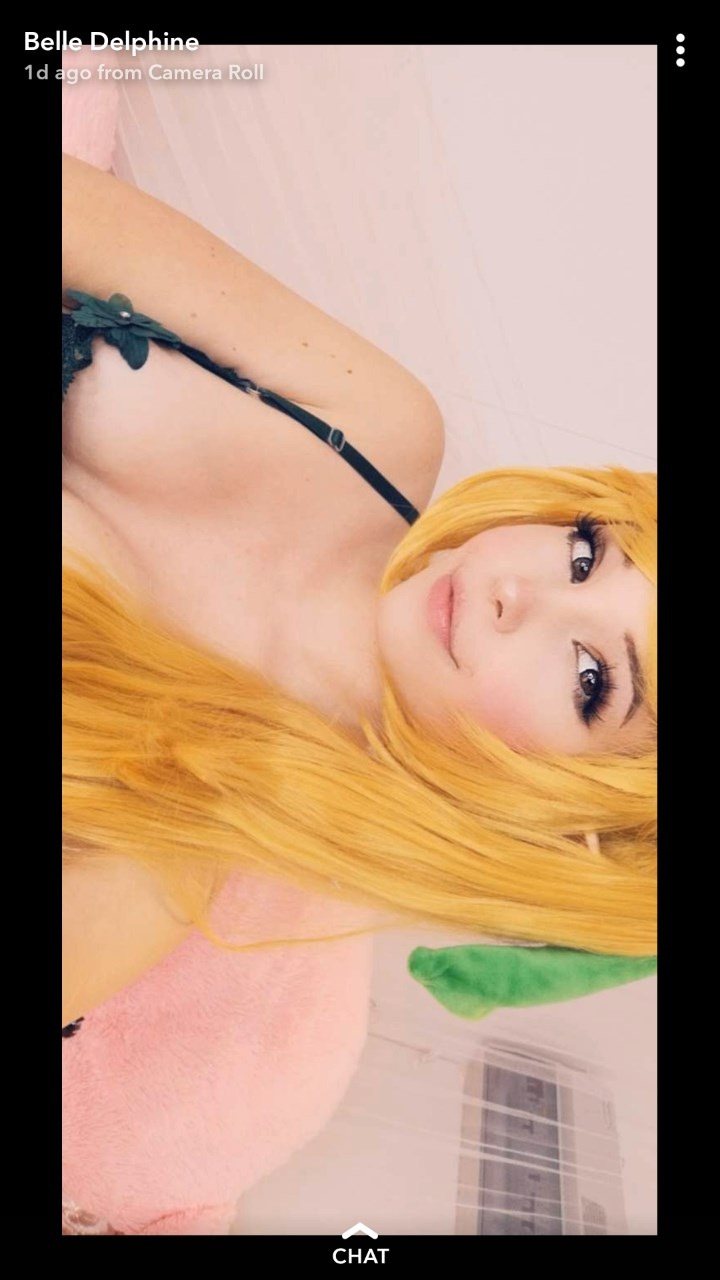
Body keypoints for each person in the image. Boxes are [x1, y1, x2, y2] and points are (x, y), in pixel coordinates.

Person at [62, 150, 656, 1037]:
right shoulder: (375, 427)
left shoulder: (150, 864)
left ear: (564, 824)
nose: (517, 593)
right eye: (584, 553)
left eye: (591, 679)